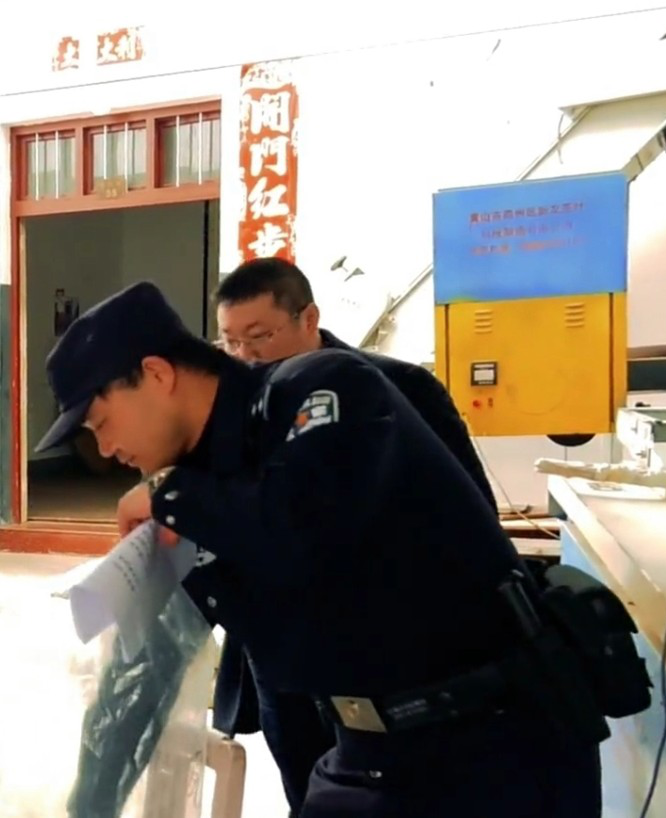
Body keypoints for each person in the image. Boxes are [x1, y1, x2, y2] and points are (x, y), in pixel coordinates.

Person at [36, 281, 601, 817]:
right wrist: (89, 801)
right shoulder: (197, 486)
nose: (105, 449)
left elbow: (302, 530)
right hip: (364, 753)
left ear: (157, 374)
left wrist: (171, 493)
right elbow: (146, 663)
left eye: (101, 423)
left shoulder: (324, 389)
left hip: (491, 748)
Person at [210, 257, 496, 815]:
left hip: (384, 658)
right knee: (305, 787)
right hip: (284, 658)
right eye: (230, 342)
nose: (244, 356)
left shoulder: (398, 388)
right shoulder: (235, 412)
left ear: (308, 318)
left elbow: (470, 514)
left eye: (259, 337)